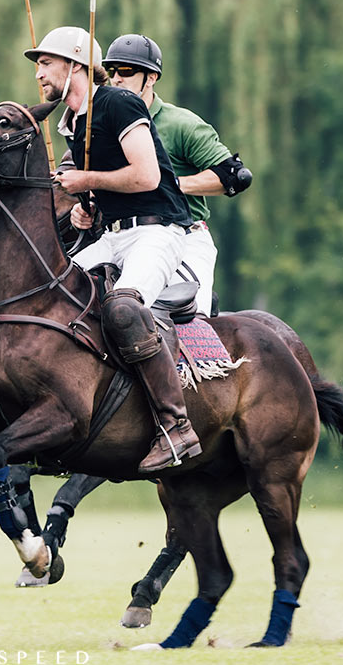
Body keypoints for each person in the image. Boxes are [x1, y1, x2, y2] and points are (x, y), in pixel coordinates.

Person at [27, 26, 200, 473]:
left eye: (46, 63)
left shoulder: (118, 102)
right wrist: (88, 209)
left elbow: (147, 177)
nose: (39, 73)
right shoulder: (73, 123)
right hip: (114, 237)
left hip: (158, 232)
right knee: (47, 295)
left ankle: (175, 426)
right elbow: (108, 188)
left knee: (123, 308)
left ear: (75, 65)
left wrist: (86, 180)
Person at [101, 34, 251, 315]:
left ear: (151, 77)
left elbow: (234, 176)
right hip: (118, 238)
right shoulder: (102, 124)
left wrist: (171, 184)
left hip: (184, 238)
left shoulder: (181, 124)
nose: (117, 78)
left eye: (127, 71)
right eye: (111, 71)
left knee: (187, 320)